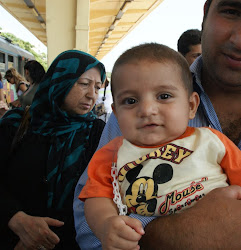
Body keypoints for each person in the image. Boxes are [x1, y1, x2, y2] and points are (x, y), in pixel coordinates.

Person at [73, 0, 241, 249]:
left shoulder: (211, 141)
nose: (147, 110)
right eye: (231, 11)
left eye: (163, 97)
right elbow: (93, 201)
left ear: (191, 105)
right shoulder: (114, 153)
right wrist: (107, 224)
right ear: (115, 114)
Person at [0, 49, 106, 250]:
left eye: (98, 87)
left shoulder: (97, 133)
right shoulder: (16, 125)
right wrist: (15, 219)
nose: (92, 95)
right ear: (60, 80)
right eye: (84, 83)